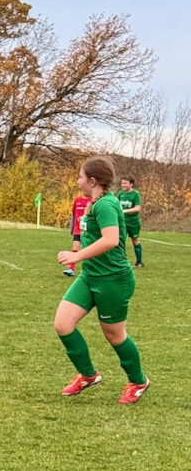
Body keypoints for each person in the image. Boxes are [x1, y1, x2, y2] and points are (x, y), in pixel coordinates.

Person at [54, 156, 149, 404]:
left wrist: (76, 255)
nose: (78, 181)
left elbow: (110, 240)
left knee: (115, 335)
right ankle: (88, 375)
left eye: (81, 177)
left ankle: (138, 381)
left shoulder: (106, 204)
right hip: (90, 277)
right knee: (63, 324)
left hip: (113, 279)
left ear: (93, 180)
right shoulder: (96, 203)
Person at [64, 192, 92, 277]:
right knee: (75, 247)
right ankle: (71, 269)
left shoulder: (92, 201)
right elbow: (74, 214)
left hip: (87, 230)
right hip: (77, 229)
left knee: (88, 250)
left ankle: (90, 270)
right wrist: (71, 228)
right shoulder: (77, 200)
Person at [117, 176, 143, 267]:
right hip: (122, 221)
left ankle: (139, 262)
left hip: (133, 222)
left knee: (135, 240)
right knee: (120, 240)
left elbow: (137, 208)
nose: (123, 185)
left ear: (131, 184)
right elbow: (117, 205)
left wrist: (124, 211)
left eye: (125, 183)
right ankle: (122, 262)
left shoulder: (136, 194)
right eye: (122, 183)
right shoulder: (121, 194)